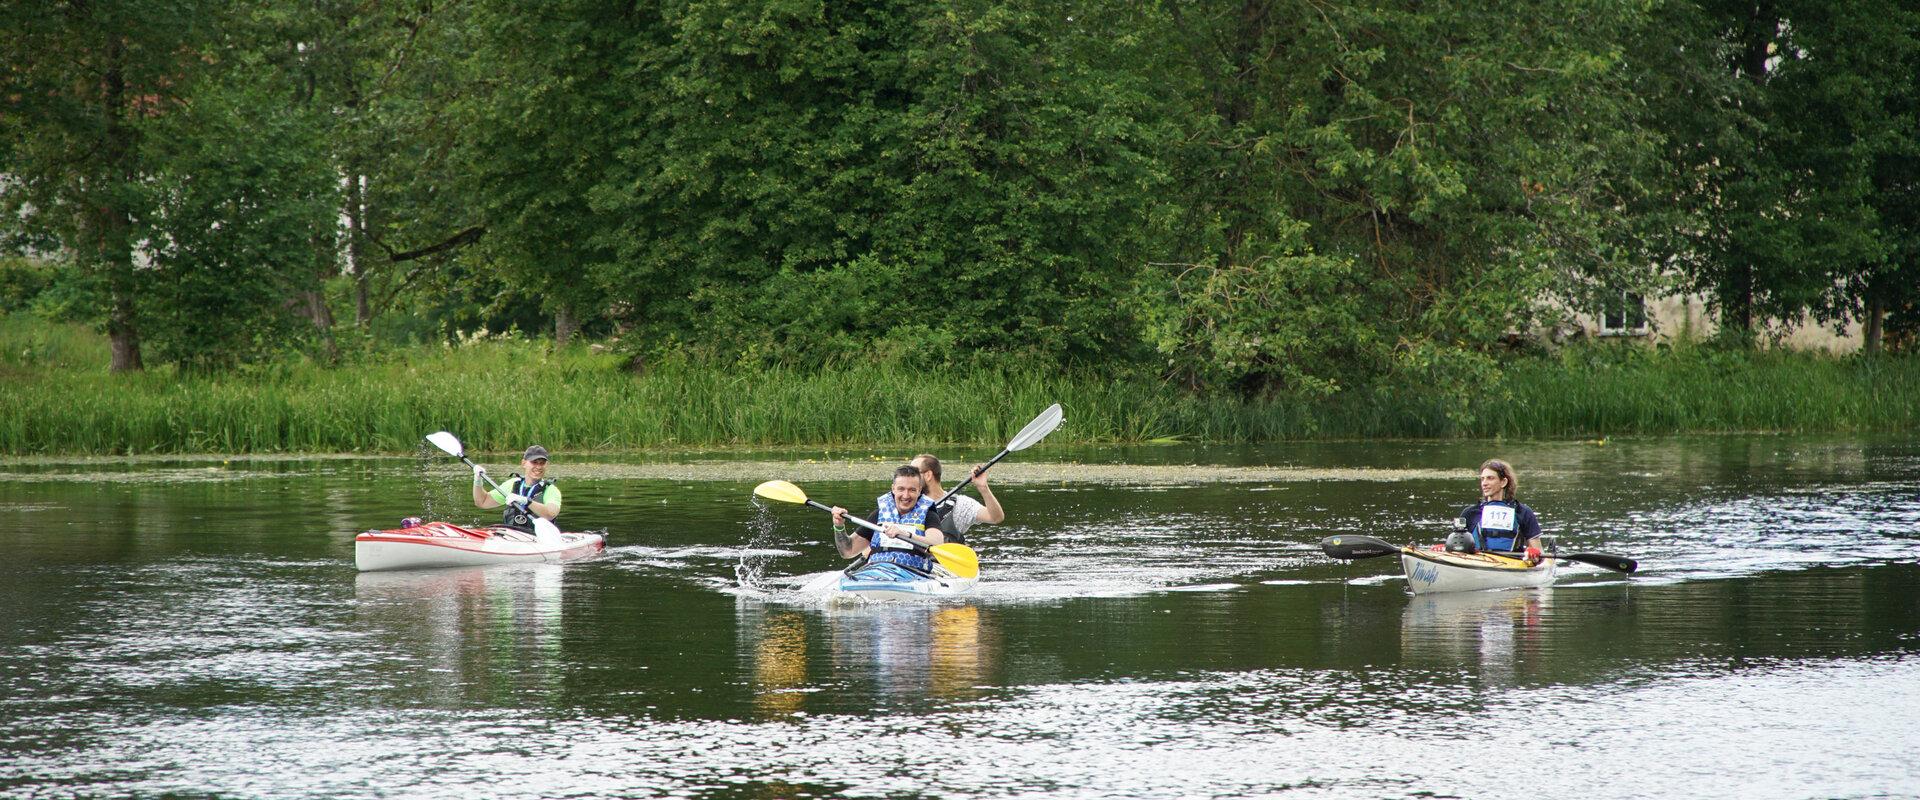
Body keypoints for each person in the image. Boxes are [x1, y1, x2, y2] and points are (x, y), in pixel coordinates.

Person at [830, 465, 948, 574]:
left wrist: (906, 534)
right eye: (901, 489)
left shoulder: (928, 514)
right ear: (893, 489)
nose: (906, 495)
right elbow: (848, 551)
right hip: (875, 573)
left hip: (913, 575)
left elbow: (937, 545)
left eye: (912, 490)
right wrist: (839, 526)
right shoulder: (879, 514)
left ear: (919, 490)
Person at [1451, 459, 1543, 564]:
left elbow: (1539, 554)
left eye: (1490, 478)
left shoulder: (1523, 512)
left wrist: (1533, 553)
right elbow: (1455, 547)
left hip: (1512, 564)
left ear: (1503, 482)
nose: (1484, 483)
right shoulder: (1470, 513)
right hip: (1477, 563)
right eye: (1482, 479)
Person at [910, 453, 1003, 545]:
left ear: (928, 475)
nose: (908, 477)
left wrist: (984, 488)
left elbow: (996, 518)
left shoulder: (960, 504)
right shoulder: (905, 502)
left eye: (913, 473)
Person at [472, 444, 563, 533]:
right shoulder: (512, 484)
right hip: (511, 537)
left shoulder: (551, 490)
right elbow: (482, 502)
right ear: (523, 463)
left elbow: (551, 513)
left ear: (546, 465)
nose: (538, 467)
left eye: (542, 463)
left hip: (537, 539)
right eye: (534, 462)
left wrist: (527, 501)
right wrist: (478, 480)